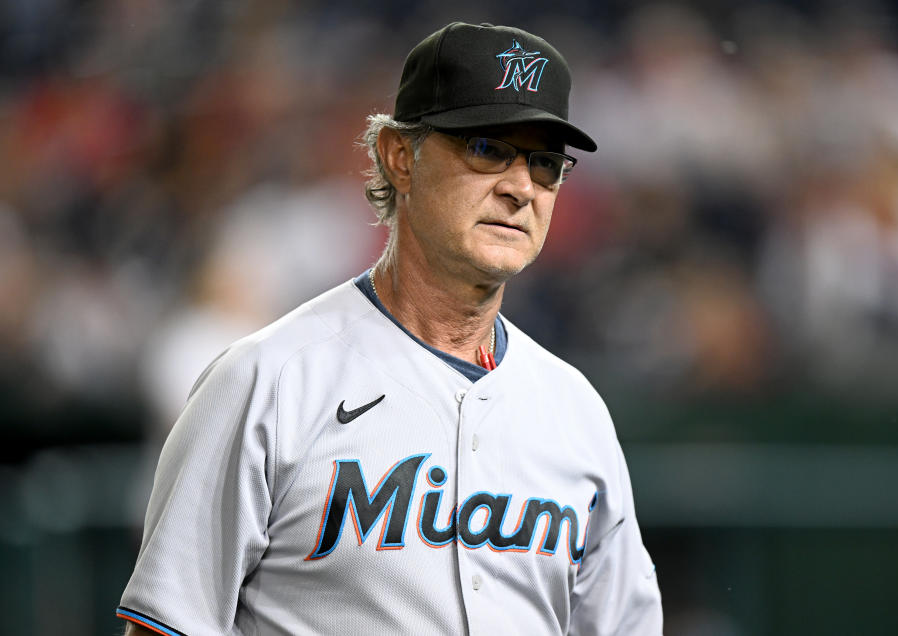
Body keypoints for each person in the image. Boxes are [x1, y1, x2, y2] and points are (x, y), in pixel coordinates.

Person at [117, 22, 662, 635]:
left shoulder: (575, 412)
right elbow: (167, 625)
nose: (519, 188)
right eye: (487, 149)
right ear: (399, 157)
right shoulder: (267, 381)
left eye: (545, 164)